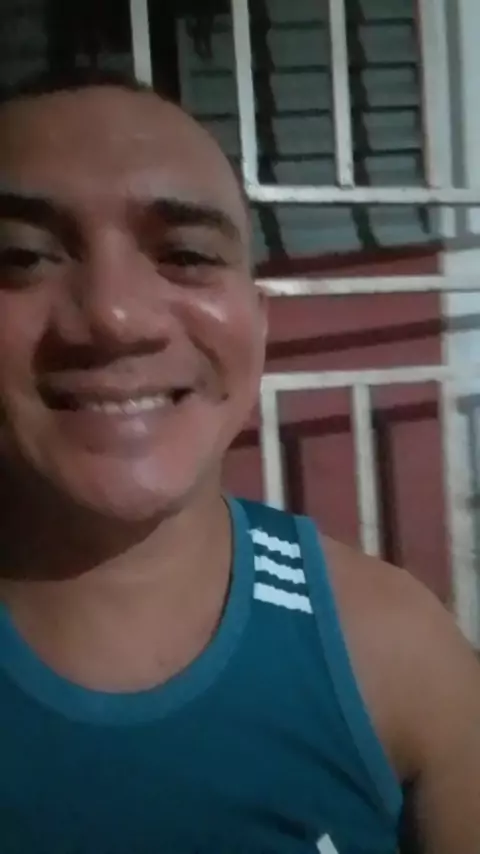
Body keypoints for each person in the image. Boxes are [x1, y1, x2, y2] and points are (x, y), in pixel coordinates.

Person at [0, 68, 478, 854]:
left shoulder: (390, 653)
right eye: (21, 258)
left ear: (258, 326)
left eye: (186, 253)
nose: (115, 316)